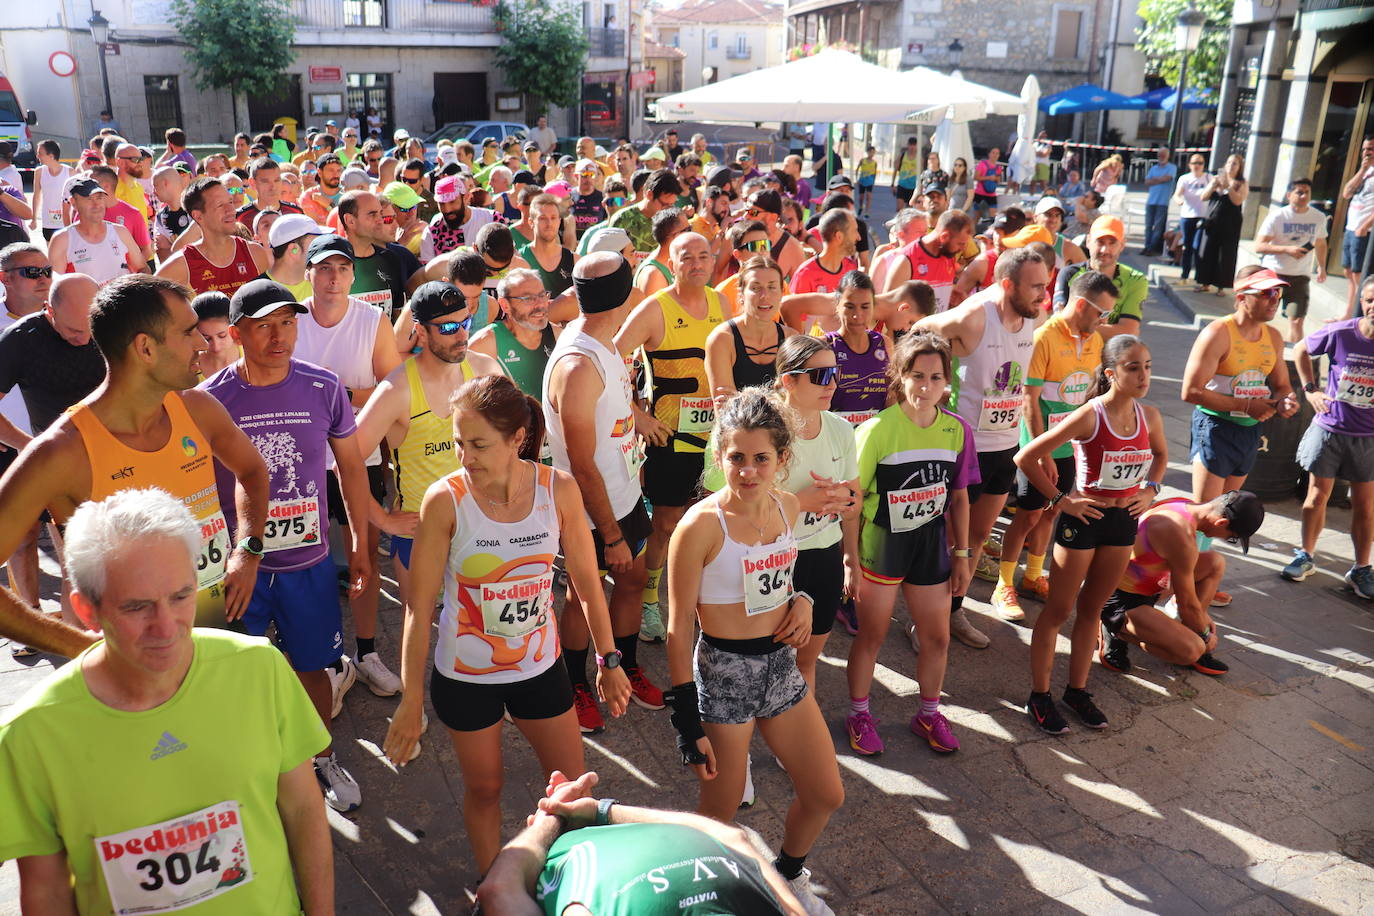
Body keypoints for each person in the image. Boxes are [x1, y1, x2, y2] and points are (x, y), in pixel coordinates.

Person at [0, 487, 334, 913]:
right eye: (138, 607)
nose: (167, 627)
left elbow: (304, 809)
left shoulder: (259, 669)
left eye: (180, 597)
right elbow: (45, 890)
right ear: (86, 611)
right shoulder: (31, 735)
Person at [381, 374, 631, 874]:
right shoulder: (444, 500)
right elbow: (418, 606)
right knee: (485, 788)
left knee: (569, 788)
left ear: (518, 438)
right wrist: (411, 700)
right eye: (457, 442)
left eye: (478, 444)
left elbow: (585, 580)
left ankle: (570, 882)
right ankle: (494, 887)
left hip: (540, 668)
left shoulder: (556, 489)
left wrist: (609, 658)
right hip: (466, 676)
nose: (464, 457)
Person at [0, 273, 271, 635]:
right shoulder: (61, 451)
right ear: (145, 348)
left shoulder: (198, 408)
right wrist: (74, 647)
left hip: (219, 630)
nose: (202, 344)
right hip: (134, 672)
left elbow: (253, 471)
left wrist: (248, 551)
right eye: (189, 332)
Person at [666, 387, 844, 914]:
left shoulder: (788, 507)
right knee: (718, 815)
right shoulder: (699, 526)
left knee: (825, 794)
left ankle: (788, 876)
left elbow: (786, 579)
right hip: (723, 674)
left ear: (781, 460)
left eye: (760, 458)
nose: (747, 471)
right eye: (736, 458)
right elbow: (677, 630)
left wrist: (805, 599)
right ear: (720, 457)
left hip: (781, 668)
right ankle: (693, 900)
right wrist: (685, 720)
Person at [199, 279, 372, 810]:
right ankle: (252, 769)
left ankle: (321, 757)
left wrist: (362, 545)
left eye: (288, 322)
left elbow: (350, 467)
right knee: (240, 674)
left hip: (310, 562)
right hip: (239, 568)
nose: (280, 336)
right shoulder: (211, 400)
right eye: (265, 325)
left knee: (312, 666)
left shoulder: (323, 386)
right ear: (237, 333)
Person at [1014, 334, 1167, 732]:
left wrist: (1151, 490)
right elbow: (1026, 456)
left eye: (1147, 366)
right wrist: (1062, 500)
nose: (1143, 375)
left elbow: (1162, 455)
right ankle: (1040, 695)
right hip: (1083, 522)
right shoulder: (1089, 414)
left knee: (1092, 610)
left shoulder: (1149, 416)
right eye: (1133, 368)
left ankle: (1077, 691)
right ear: (1111, 373)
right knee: (1059, 611)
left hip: (1122, 524)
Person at [844, 331, 978, 755]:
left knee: (937, 638)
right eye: (917, 376)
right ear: (900, 377)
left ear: (947, 381)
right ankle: (859, 713)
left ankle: (929, 712)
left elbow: (958, 497)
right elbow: (852, 503)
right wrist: (848, 559)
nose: (926, 387)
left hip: (930, 548)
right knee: (872, 636)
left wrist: (962, 555)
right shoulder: (876, 431)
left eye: (936, 377)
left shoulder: (957, 431)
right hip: (882, 547)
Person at [541, 253, 659, 734]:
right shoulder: (578, 365)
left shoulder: (606, 339)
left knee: (632, 582)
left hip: (626, 496)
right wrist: (609, 535)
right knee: (577, 598)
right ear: (624, 294)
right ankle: (574, 683)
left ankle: (626, 664)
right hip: (592, 515)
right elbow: (582, 465)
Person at [916, 248, 1048, 643]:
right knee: (946, 538)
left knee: (976, 538)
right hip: (964, 447)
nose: (1044, 294)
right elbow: (920, 329)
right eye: (1036, 286)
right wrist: (934, 391)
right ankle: (923, 622)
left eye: (1045, 284)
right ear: (1008, 285)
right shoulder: (974, 316)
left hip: (1005, 446)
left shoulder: (1033, 317)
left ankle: (954, 613)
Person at [295, 233, 404, 702]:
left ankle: (365, 653)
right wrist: (339, 390)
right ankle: (322, 657)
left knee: (366, 550)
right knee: (309, 558)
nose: (334, 277)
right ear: (309, 274)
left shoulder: (372, 319)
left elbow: (393, 389)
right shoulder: (290, 317)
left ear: (352, 275)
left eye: (341, 269)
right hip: (301, 458)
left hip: (361, 455)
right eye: (324, 268)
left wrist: (332, 390)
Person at [355, 281, 500, 610]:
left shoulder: (482, 369)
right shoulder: (397, 389)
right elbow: (344, 463)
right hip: (421, 536)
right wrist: (382, 519)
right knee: (419, 631)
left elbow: (519, 434)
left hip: (480, 525)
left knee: (482, 631)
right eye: (448, 327)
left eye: (465, 322)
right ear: (420, 331)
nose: (461, 334)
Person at [478, 769, 805, 915]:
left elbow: (731, 836)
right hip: (562, 851)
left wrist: (567, 816)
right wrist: (568, 818)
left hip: (565, 849)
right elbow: (497, 891)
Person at [615, 232, 726, 644]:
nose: (696, 263)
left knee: (709, 521)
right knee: (664, 525)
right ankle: (648, 601)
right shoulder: (654, 309)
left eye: (703, 256)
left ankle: (702, 601)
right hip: (670, 437)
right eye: (687, 257)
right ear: (671, 263)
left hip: (715, 439)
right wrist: (637, 416)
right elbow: (609, 363)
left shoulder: (720, 302)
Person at [993, 269, 1113, 621]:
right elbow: (1029, 400)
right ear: (1080, 304)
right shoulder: (1044, 337)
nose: (1104, 321)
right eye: (1101, 313)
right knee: (1028, 514)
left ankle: (1032, 577)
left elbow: (1092, 398)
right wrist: (1042, 451)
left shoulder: (1094, 340)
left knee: (1051, 512)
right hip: (1039, 446)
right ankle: (1004, 584)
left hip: (1071, 448)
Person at [1182, 265, 1298, 606]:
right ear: (1242, 296)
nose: (1274, 300)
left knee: (1226, 515)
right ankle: (1182, 581)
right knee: (1204, 514)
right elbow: (1190, 391)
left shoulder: (1273, 337)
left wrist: (1285, 400)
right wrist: (1245, 404)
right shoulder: (1218, 333)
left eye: (1277, 293)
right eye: (1265, 293)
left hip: (1248, 433)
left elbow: (1281, 385)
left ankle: (1200, 574)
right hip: (1215, 427)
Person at [1099, 491, 1266, 677]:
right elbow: (1187, 604)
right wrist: (1204, 636)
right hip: (1120, 599)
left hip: (1145, 584)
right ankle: (1116, 630)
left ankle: (1176, 631)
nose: (1226, 540)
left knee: (1214, 562)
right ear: (1222, 523)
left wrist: (1200, 617)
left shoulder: (1183, 504)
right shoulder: (1181, 536)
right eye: (1231, 537)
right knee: (1191, 650)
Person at [1284, 275, 1374, 599]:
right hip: (1331, 428)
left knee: (1365, 506)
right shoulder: (1341, 332)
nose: (1373, 306)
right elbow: (1300, 349)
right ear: (1361, 302)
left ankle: (1361, 568)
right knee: (1316, 496)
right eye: (1369, 300)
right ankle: (1305, 555)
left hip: (1368, 436)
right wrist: (1311, 390)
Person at [158, 177, 271, 297]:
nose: (231, 210)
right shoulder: (181, 265)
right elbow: (147, 306)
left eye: (230, 202)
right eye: (220, 205)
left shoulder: (255, 253)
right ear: (198, 216)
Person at [705, 255, 794, 400]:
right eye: (755, 288)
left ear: (781, 293)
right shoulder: (722, 339)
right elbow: (724, 408)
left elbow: (796, 402)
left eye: (772, 287)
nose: (765, 295)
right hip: (737, 422)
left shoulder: (791, 339)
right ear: (741, 294)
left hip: (783, 422)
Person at [1256, 178, 1330, 342]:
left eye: (1307, 192)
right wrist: (1286, 249)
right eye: (1299, 192)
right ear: (1289, 195)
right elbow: (1259, 246)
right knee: (1262, 316)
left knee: (1297, 320)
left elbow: (1321, 242)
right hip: (1274, 274)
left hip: (1300, 277)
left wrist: (1322, 267)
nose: (1303, 196)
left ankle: (1292, 358)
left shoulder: (1318, 217)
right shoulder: (1277, 216)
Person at [470, 267, 559, 398]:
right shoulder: (484, 344)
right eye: (528, 298)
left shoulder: (559, 336)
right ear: (505, 305)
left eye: (542, 295)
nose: (540, 304)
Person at [1052, 216, 1146, 340]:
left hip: (1112, 356)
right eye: (1100, 242)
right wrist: (1113, 330)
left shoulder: (1135, 280)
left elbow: (1128, 331)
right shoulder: (1069, 273)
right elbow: (1060, 323)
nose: (1105, 250)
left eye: (1112, 243)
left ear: (1122, 245)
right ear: (1088, 241)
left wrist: (1078, 324)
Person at [820, 271, 889, 428]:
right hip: (837, 442)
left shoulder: (884, 344)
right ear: (837, 305)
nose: (857, 315)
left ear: (873, 307)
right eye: (849, 307)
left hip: (875, 440)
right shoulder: (824, 347)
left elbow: (892, 399)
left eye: (865, 307)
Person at [46, 178, 145, 285]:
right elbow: (55, 287)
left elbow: (142, 268)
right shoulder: (62, 240)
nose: (96, 204)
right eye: (89, 199)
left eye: (99, 198)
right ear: (73, 203)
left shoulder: (120, 232)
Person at [880, 209, 975, 312]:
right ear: (944, 236)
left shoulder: (948, 255)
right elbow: (888, 306)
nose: (962, 249)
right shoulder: (906, 260)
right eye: (960, 244)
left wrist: (951, 292)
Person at [1194, 154, 1248, 295]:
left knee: (1226, 254)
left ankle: (1221, 286)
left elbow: (1237, 201)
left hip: (1230, 222)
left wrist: (1228, 187)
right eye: (1229, 162)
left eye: (1235, 163)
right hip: (1213, 220)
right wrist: (1213, 185)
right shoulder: (1216, 179)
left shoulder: (1240, 182)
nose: (1231, 165)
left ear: (1240, 167)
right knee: (1206, 251)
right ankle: (1204, 282)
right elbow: (1203, 197)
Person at [420, 174, 501, 263]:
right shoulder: (433, 230)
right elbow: (427, 271)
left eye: (452, 202)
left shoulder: (492, 219)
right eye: (442, 204)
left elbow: (508, 258)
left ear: (466, 198)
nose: (447, 209)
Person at [609, 168, 683, 254]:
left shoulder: (673, 222)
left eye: (672, 205)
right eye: (665, 204)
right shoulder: (622, 220)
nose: (668, 210)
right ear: (650, 195)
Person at [1340, 137, 1374, 319]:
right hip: (1351, 226)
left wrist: (1365, 225)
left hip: (1364, 230)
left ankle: (1360, 314)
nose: (1367, 153)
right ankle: (1349, 312)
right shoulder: (1366, 172)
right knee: (1348, 271)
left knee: (1359, 273)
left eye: (1371, 149)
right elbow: (1346, 193)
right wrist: (1363, 169)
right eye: (1364, 149)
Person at [791, 210, 859, 296]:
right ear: (839, 236)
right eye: (854, 231)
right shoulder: (805, 275)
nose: (858, 237)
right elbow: (792, 308)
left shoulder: (851, 269)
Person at [744, 189, 806, 282]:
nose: (745, 216)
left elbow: (800, 290)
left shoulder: (793, 248)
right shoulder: (734, 235)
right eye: (746, 210)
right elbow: (719, 273)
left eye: (752, 212)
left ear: (772, 217)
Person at [263, 212, 324, 302]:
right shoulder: (257, 296)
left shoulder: (323, 285)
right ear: (293, 250)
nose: (322, 249)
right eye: (315, 245)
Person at [1172, 153, 1211, 283]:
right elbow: (1177, 194)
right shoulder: (1185, 179)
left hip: (1202, 216)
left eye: (1200, 163)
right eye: (1194, 163)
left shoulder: (1208, 178)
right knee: (1187, 246)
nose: (1197, 166)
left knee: (1198, 245)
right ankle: (1184, 274)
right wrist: (1179, 201)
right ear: (1189, 165)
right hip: (1188, 215)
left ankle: (1199, 276)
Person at [635, 207, 687, 297]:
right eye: (689, 229)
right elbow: (653, 311)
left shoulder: (667, 262)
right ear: (676, 235)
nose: (693, 233)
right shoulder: (654, 275)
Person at [28, 139, 71, 241]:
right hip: (48, 221)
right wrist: (34, 219)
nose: (37, 156)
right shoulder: (39, 171)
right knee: (51, 253)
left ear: (51, 156)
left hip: (66, 222)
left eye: (40, 154)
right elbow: (37, 195)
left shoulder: (69, 172)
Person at [191, 290, 238, 379]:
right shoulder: (189, 367)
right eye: (206, 338)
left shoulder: (254, 355)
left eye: (222, 336)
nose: (216, 346)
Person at [1140, 148, 1177, 257]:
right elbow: (1147, 181)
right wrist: (1160, 179)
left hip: (1163, 202)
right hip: (1151, 201)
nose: (1160, 157)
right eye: (1159, 155)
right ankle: (1146, 246)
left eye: (1163, 155)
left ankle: (1151, 248)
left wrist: (1154, 180)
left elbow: (1168, 178)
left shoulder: (1172, 167)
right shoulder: (1153, 168)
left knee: (1158, 227)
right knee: (1148, 226)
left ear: (1167, 156)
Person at [971, 147, 1004, 220]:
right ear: (989, 154)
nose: (995, 155)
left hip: (991, 195)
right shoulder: (982, 164)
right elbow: (975, 177)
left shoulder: (999, 167)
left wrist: (997, 179)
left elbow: (998, 181)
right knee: (975, 218)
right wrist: (988, 178)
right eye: (993, 153)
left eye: (997, 153)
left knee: (992, 218)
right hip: (979, 194)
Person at [891, 136, 921, 207]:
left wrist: (920, 188)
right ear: (908, 145)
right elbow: (895, 169)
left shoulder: (919, 158)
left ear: (916, 146)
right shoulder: (902, 155)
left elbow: (921, 174)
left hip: (913, 187)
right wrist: (892, 184)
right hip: (902, 185)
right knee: (899, 209)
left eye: (914, 145)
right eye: (910, 145)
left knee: (909, 211)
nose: (912, 147)